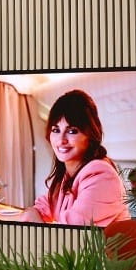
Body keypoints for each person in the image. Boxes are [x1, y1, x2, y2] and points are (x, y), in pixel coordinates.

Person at [21, 90, 129, 227]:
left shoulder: (101, 176)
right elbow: (45, 205)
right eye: (56, 130)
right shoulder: (68, 173)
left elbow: (69, 233)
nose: (61, 140)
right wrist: (33, 212)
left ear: (90, 135)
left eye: (72, 131)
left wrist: (35, 220)